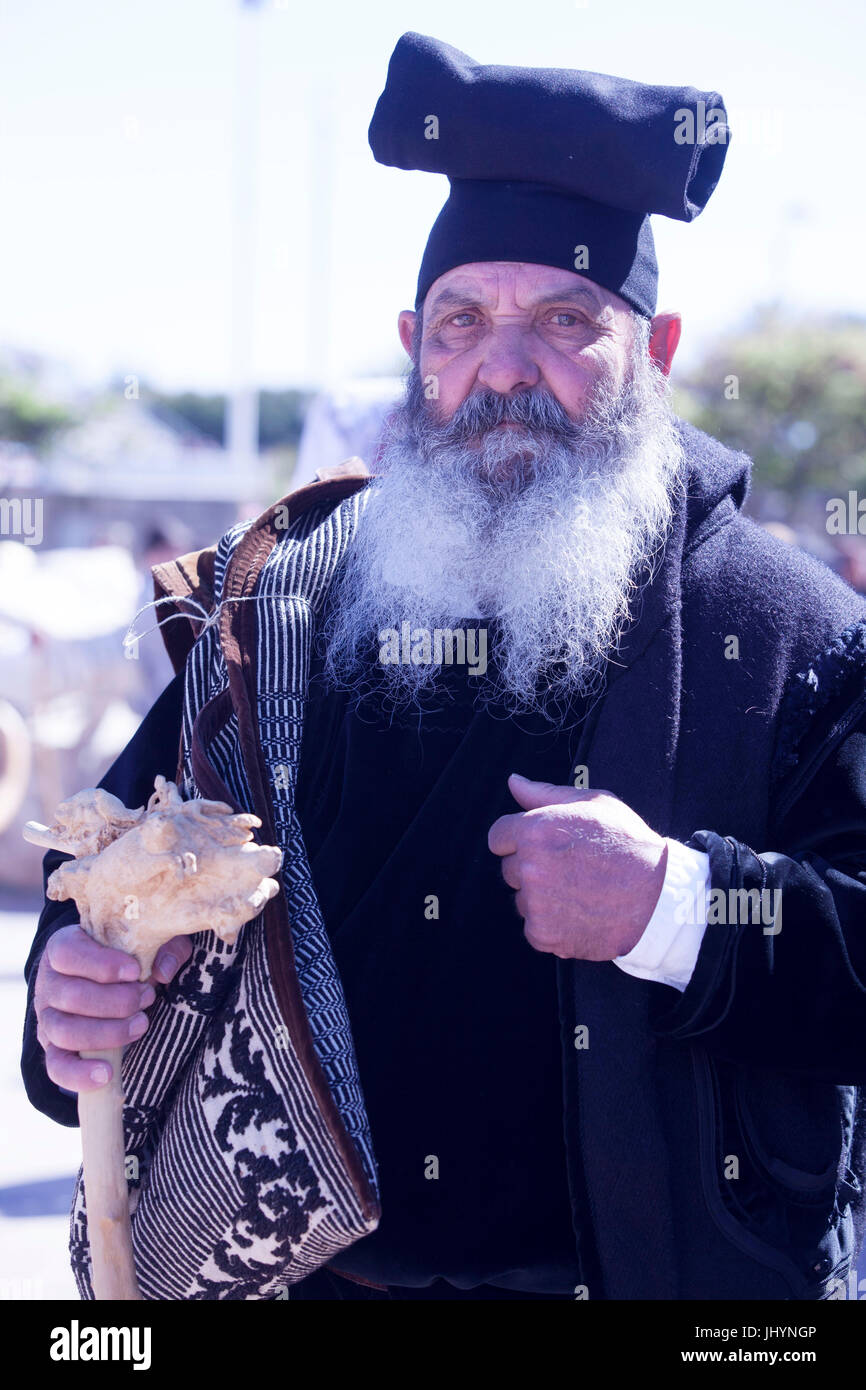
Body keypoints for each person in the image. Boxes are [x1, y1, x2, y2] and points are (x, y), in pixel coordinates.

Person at [21, 34, 866, 1301]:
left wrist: (674, 910)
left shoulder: (787, 627)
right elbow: (108, 871)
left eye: (564, 322)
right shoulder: (287, 597)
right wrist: (69, 981)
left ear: (660, 346)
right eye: (464, 322)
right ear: (417, 342)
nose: (502, 369)